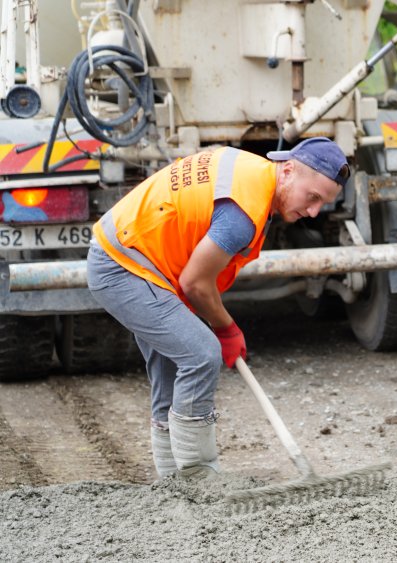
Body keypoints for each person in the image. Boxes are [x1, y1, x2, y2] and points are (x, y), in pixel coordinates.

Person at [87, 137, 350, 478]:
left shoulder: (250, 170)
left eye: (323, 204)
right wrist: (226, 328)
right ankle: (199, 479)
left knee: (172, 368)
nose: (313, 212)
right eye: (312, 197)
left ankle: (173, 483)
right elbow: (196, 284)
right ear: (287, 171)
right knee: (201, 355)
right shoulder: (243, 212)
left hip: (136, 257)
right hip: (124, 266)